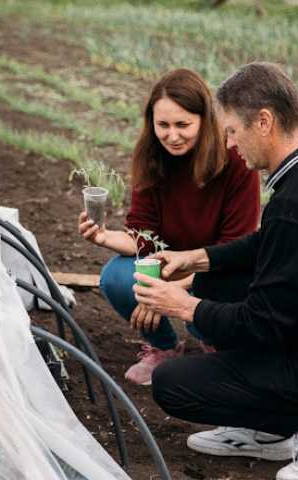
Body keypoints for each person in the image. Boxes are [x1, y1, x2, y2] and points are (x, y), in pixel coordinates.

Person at [132, 62, 298, 480]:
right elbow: (267, 244)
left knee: (172, 384)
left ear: (265, 121)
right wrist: (197, 259)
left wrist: (184, 305)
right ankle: (271, 431)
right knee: (214, 280)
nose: (230, 144)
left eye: (233, 130)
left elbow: (263, 322)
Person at [78, 68, 260, 386]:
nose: (172, 135)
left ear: (204, 120)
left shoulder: (235, 160)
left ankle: (213, 342)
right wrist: (104, 236)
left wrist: (170, 292)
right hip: (167, 264)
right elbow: (144, 237)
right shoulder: (152, 157)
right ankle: (163, 347)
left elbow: (236, 249)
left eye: (182, 125)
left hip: (218, 270)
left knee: (223, 293)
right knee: (116, 277)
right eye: (163, 125)